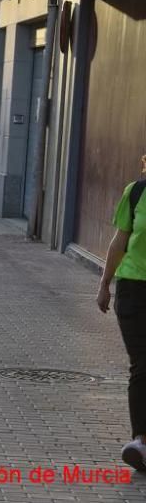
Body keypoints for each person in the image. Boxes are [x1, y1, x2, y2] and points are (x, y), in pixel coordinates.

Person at [96, 160, 146, 470]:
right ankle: (141, 441)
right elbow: (119, 241)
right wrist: (104, 284)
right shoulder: (137, 192)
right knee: (143, 363)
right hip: (134, 290)